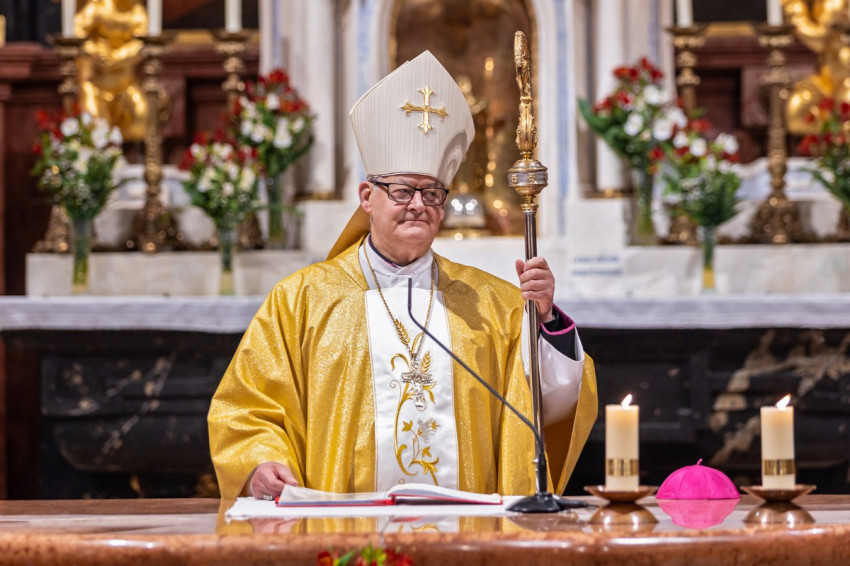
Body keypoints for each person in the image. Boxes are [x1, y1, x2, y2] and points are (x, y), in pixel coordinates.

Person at [208, 51, 597, 500]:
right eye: (401, 190)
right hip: (346, 527)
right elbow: (246, 407)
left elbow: (551, 405)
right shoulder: (302, 300)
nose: (418, 205)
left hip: (465, 527)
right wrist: (261, 462)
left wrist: (545, 320)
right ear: (366, 197)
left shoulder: (492, 303)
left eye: (432, 193)